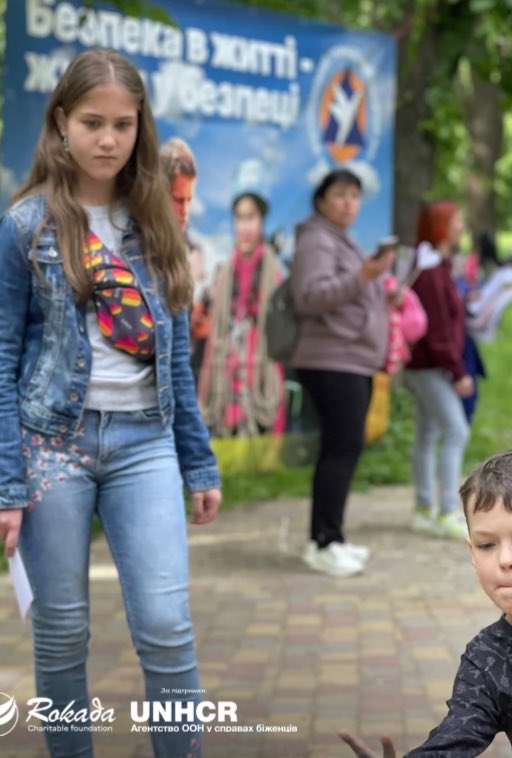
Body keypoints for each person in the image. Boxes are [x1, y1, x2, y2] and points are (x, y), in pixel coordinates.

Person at [0, 48, 221, 758]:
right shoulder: (24, 226)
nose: (107, 139)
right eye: (91, 123)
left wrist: (198, 461)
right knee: (62, 634)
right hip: (52, 447)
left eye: (121, 124)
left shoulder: (156, 226)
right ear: (60, 123)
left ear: (139, 127)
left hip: (147, 444)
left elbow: (175, 361)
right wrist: (2, 481)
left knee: (169, 630)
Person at [332, 449, 512, 758]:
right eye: (487, 545)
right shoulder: (488, 661)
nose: (505, 560)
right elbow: (449, 744)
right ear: (472, 553)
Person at [288, 169, 393, 577]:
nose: (349, 202)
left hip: (351, 359)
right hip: (332, 359)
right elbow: (310, 297)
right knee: (340, 449)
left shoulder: (339, 239)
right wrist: (363, 276)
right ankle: (323, 541)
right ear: (321, 201)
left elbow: (347, 293)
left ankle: (332, 537)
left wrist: (378, 286)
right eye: (340, 195)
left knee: (343, 449)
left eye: (354, 195)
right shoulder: (317, 239)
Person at [197, 160, 286, 437]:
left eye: (251, 217)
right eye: (240, 217)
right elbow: (214, 337)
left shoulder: (275, 274)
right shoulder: (224, 273)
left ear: (261, 221)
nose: (245, 226)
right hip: (226, 376)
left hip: (262, 378)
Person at [406, 201, 472, 539]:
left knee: (428, 434)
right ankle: (447, 509)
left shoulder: (435, 266)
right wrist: (458, 371)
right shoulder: (431, 272)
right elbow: (438, 333)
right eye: (457, 220)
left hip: (424, 367)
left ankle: (422, 508)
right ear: (441, 227)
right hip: (429, 368)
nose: (462, 226)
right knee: (456, 431)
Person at [159, 137, 209, 380]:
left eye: (189, 200)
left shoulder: (193, 248)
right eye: (179, 200)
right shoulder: (130, 241)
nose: (185, 211)